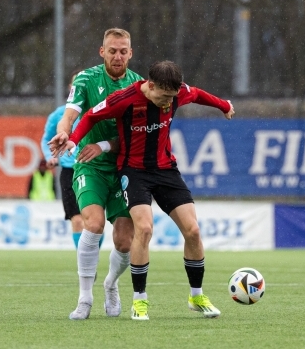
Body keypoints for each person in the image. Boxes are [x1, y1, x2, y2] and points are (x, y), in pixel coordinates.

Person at [51, 60, 235, 320]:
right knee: (144, 228)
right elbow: (91, 115)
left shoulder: (176, 93)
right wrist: (73, 139)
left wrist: (223, 105)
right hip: (133, 171)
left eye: (172, 98)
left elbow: (198, 95)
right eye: (163, 96)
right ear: (150, 85)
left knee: (193, 230)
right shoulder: (125, 98)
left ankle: (196, 296)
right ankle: (139, 301)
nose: (167, 103)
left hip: (165, 169)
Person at [50, 28, 144, 320]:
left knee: (125, 241)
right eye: (112, 50)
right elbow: (69, 116)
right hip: (90, 166)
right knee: (93, 223)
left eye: (123, 51)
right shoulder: (86, 80)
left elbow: (135, 136)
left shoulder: (140, 86)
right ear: (102, 52)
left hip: (122, 165)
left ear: (130, 53)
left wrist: (103, 145)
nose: (117, 56)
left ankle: (111, 285)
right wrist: (65, 135)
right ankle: (85, 298)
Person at [40, 72, 105, 249]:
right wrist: (50, 157)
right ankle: (84, 261)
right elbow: (46, 138)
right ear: (71, 89)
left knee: (96, 223)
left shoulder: (99, 112)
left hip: (94, 170)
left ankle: (91, 257)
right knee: (77, 221)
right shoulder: (58, 115)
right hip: (70, 171)